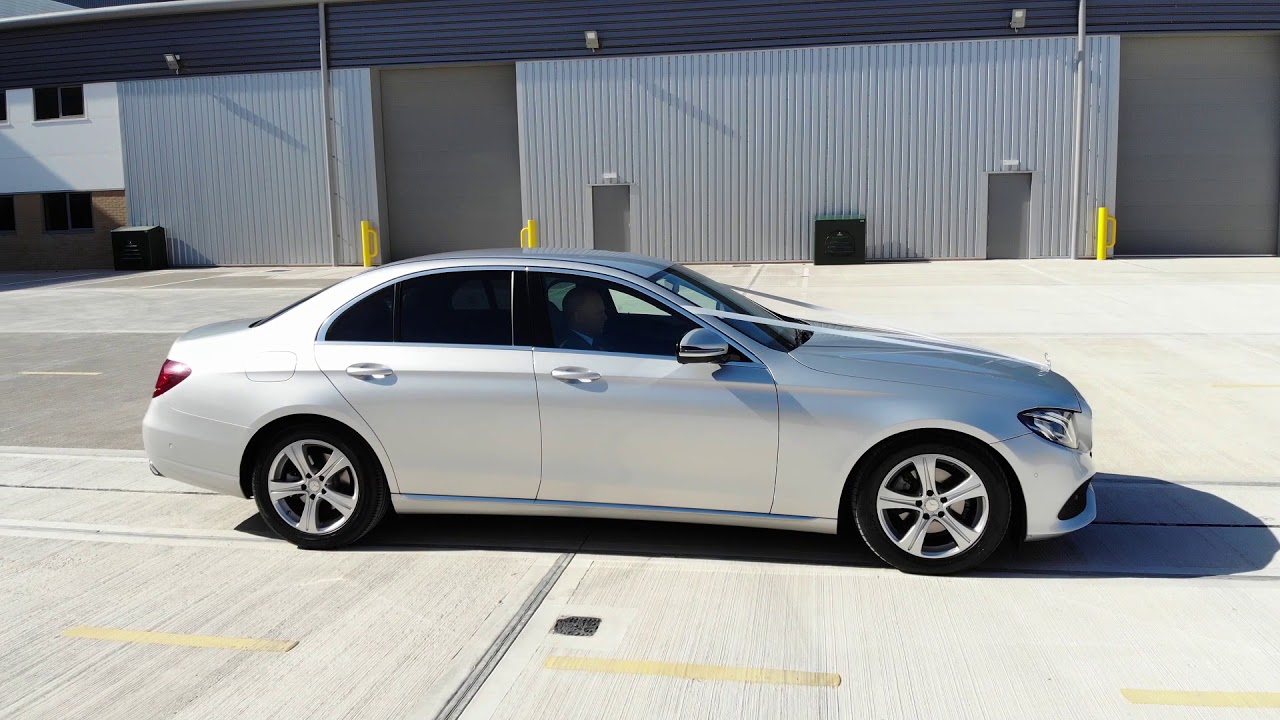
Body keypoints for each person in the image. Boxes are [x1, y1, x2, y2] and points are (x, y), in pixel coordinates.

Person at [559, 285, 608, 350]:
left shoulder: (593, 339)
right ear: (578, 317)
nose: (605, 318)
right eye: (598, 313)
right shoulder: (572, 349)